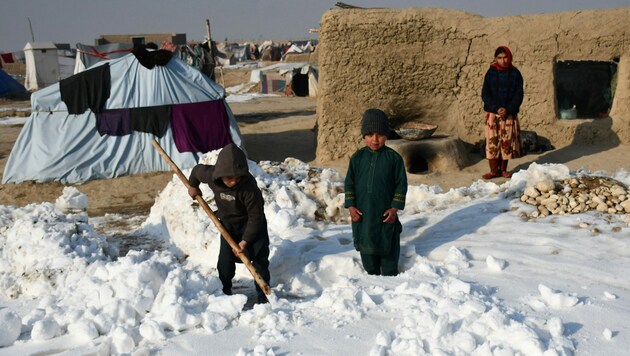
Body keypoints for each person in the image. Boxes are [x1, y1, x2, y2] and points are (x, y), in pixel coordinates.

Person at [187, 143, 271, 304]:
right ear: (220, 174)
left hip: (252, 225)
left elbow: (256, 217)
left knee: (259, 260)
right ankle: (225, 292)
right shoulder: (211, 175)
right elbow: (197, 171)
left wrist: (245, 241)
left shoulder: (249, 189)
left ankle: (263, 296)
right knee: (224, 262)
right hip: (228, 225)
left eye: (237, 178)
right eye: (229, 178)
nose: (233, 182)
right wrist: (193, 186)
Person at [344, 109, 408, 276]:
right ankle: (372, 276)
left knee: (388, 251)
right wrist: (351, 206)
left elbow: (401, 185)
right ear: (363, 135)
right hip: (363, 215)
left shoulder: (394, 159)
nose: (375, 139)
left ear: (386, 135)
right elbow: (349, 184)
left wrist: (394, 209)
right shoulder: (357, 158)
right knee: (369, 258)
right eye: (370, 134)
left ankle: (390, 278)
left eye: (380, 134)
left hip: (385, 215)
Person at [481, 45, 524, 179]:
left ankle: (503, 169)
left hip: (508, 114)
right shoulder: (491, 72)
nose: (503, 60)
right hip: (493, 114)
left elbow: (519, 95)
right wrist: (496, 108)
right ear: (496, 59)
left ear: (509, 57)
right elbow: (485, 93)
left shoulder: (515, 74)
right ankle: (494, 171)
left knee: (506, 142)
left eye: (505, 57)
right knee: (493, 142)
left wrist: (508, 109)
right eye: (499, 58)